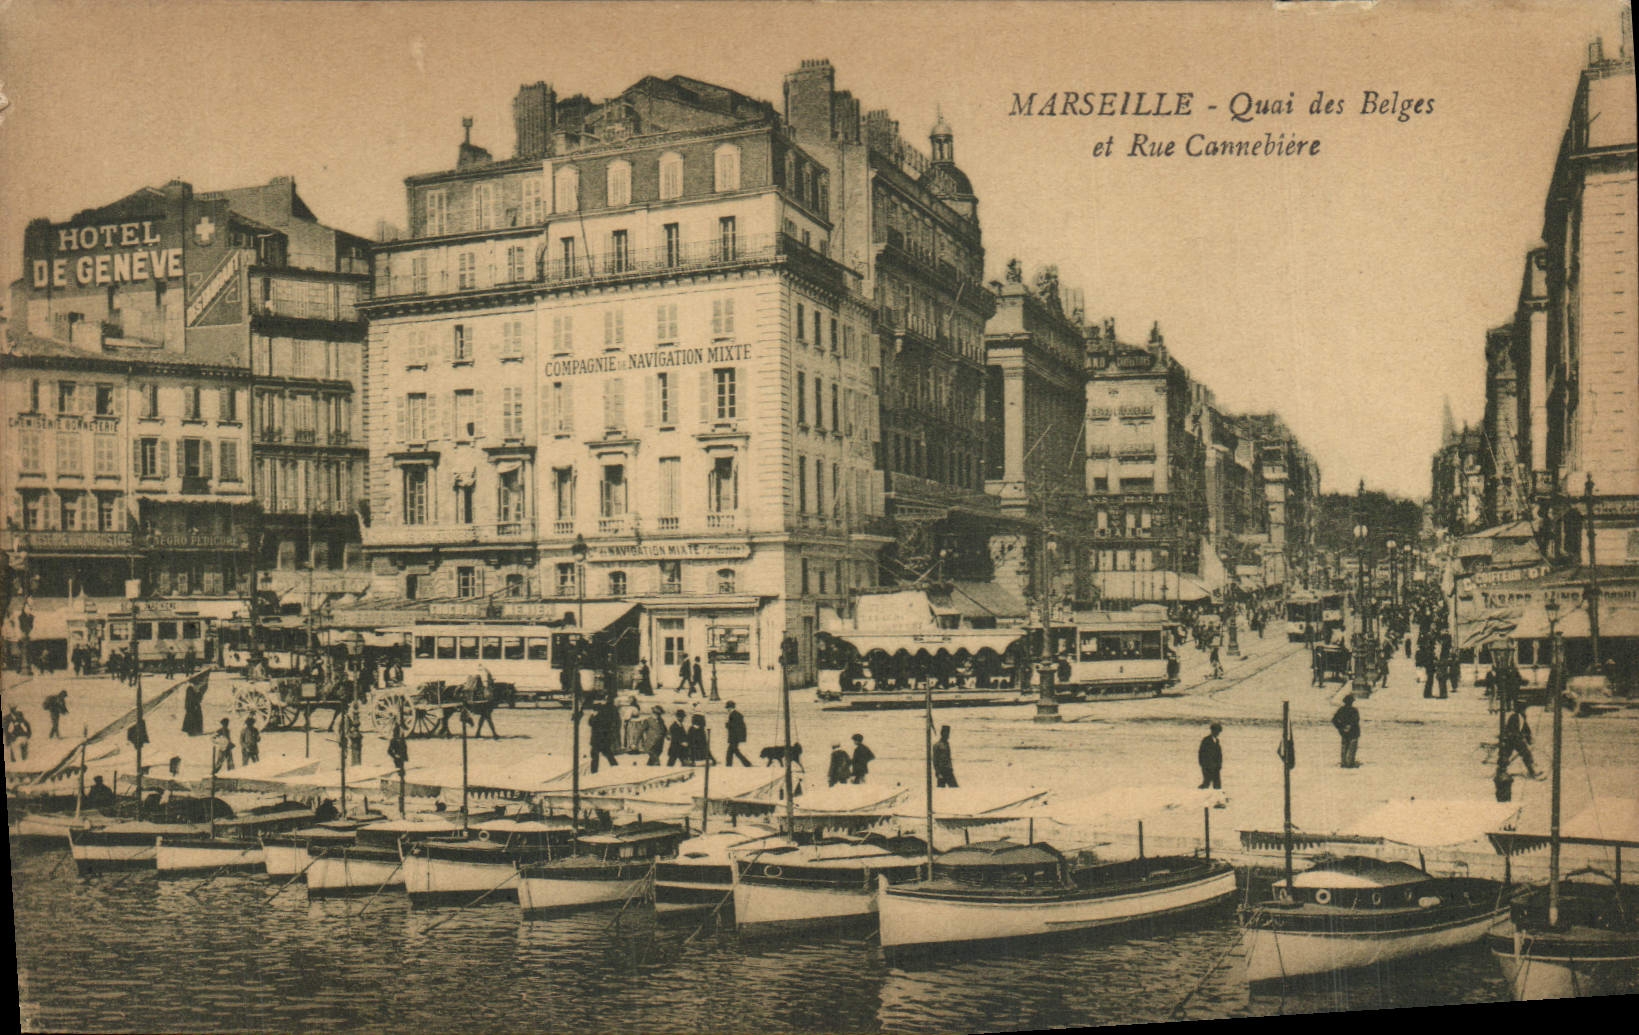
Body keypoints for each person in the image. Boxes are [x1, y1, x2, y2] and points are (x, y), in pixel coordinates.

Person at [1500, 703, 1542, 779]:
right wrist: (1521, 737)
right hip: (1512, 740)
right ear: (1521, 710)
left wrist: (1529, 739)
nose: (1525, 711)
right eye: (1524, 709)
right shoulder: (1514, 717)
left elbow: (1526, 729)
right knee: (1525, 754)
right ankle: (1532, 772)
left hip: (1515, 739)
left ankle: (1531, 771)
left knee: (1509, 754)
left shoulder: (1522, 717)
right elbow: (1512, 730)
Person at [587, 696, 620, 773]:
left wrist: (592, 715)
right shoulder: (609, 711)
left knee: (595, 755)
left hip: (597, 738)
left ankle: (594, 772)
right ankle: (616, 767)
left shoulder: (598, 714)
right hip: (605, 737)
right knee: (608, 753)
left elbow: (591, 723)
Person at [1332, 694, 1361, 769]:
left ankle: (1344, 763)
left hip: (1344, 732)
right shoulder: (1354, 710)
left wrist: (1340, 727)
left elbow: (1334, 720)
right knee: (1351, 748)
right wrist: (1349, 726)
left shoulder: (1341, 710)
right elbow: (1356, 720)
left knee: (1344, 747)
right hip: (1353, 732)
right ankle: (1349, 763)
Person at [724, 701, 751, 766]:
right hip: (736, 737)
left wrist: (727, 725)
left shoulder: (734, 715)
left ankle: (729, 765)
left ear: (730, 708)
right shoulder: (735, 714)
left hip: (735, 737)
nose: (727, 709)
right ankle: (746, 763)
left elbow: (735, 726)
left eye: (727, 708)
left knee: (731, 752)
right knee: (734, 751)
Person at [1198, 723, 1224, 790]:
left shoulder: (1217, 741)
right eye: (1217, 731)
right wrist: (1204, 765)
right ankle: (1197, 794)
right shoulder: (1206, 740)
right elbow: (1201, 753)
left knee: (1217, 784)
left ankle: (1219, 797)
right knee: (1207, 782)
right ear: (1212, 731)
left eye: (1219, 731)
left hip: (1216, 767)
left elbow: (1219, 755)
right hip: (1208, 766)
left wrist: (1219, 765)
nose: (1218, 733)